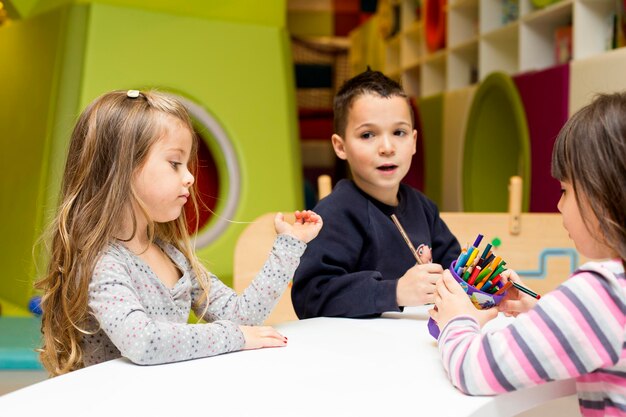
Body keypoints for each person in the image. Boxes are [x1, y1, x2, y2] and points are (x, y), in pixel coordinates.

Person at [35, 90, 323, 376]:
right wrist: (234, 337)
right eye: (175, 164)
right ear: (122, 168)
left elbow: (241, 317)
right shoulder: (103, 263)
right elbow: (144, 342)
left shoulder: (173, 257)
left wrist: (290, 245)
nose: (190, 177)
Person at [430, 92, 626, 416]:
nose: (558, 205)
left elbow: (473, 369)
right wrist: (545, 312)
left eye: (565, 190)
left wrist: (456, 318)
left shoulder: (603, 292)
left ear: (602, 194)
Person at [291, 70, 461, 318]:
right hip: (354, 350)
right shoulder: (332, 215)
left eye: (399, 133)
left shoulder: (423, 208)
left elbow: (455, 269)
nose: (387, 148)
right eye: (368, 135)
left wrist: (487, 282)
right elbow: (311, 298)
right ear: (341, 146)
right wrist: (396, 291)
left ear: (414, 142)